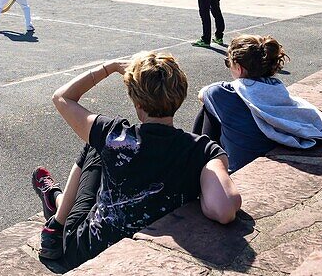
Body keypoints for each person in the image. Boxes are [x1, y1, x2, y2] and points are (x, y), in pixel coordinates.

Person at [29, 51, 241, 268]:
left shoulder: (113, 134)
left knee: (94, 147)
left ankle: (56, 220)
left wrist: (108, 67)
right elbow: (223, 210)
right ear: (181, 94)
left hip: (87, 251)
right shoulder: (202, 150)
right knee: (99, 146)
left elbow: (61, 97)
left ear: (137, 102)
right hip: (147, 259)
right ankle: (54, 199)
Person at [195, 35, 322, 172]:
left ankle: (200, 168)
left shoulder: (221, 92)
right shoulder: (277, 88)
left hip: (238, 168)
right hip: (270, 155)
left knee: (208, 108)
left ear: (239, 68)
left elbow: (202, 94)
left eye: (228, 63)